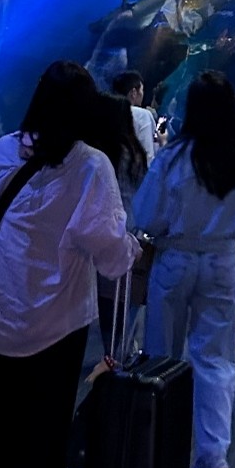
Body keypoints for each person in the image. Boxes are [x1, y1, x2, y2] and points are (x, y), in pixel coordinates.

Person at [0, 61, 139, 468]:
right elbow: (104, 242)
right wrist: (131, 250)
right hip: (55, 316)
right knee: (44, 421)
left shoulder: (4, 148)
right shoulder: (90, 164)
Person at [132, 73, 235, 468]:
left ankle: (160, 443)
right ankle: (212, 452)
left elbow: (146, 215)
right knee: (217, 357)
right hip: (223, 261)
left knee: (161, 352)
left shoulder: (172, 158)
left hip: (175, 257)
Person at [84, 92, 149, 358]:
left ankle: (111, 349)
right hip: (128, 230)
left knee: (102, 296)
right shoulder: (135, 153)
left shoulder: (96, 153)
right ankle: (121, 349)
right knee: (123, 296)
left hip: (97, 231)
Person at [112, 68, 159, 163]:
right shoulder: (142, 115)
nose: (142, 94)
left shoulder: (108, 112)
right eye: (142, 89)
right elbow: (147, 154)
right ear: (134, 93)